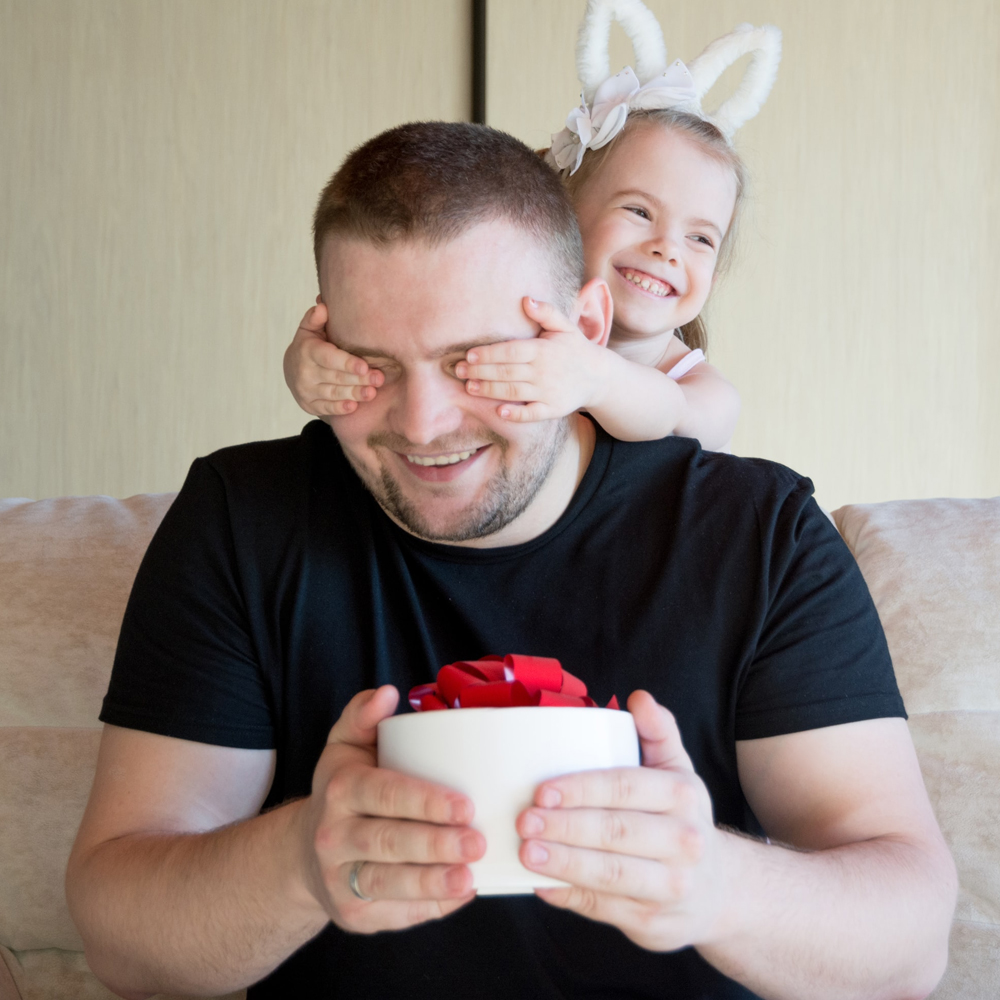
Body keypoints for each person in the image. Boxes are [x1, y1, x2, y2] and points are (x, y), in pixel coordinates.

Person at [66, 121, 955, 1000]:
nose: (422, 425)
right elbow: (122, 941)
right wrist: (299, 863)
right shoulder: (244, 518)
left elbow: (911, 948)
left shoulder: (760, 534)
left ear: (585, 328)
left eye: (474, 362)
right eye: (372, 365)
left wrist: (717, 887)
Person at [282, 16, 786, 453]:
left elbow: (675, 414)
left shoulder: (700, 390)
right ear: (561, 213)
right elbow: (413, 363)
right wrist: (314, 370)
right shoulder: (513, 314)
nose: (668, 249)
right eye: (639, 211)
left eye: (701, 239)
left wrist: (594, 379)